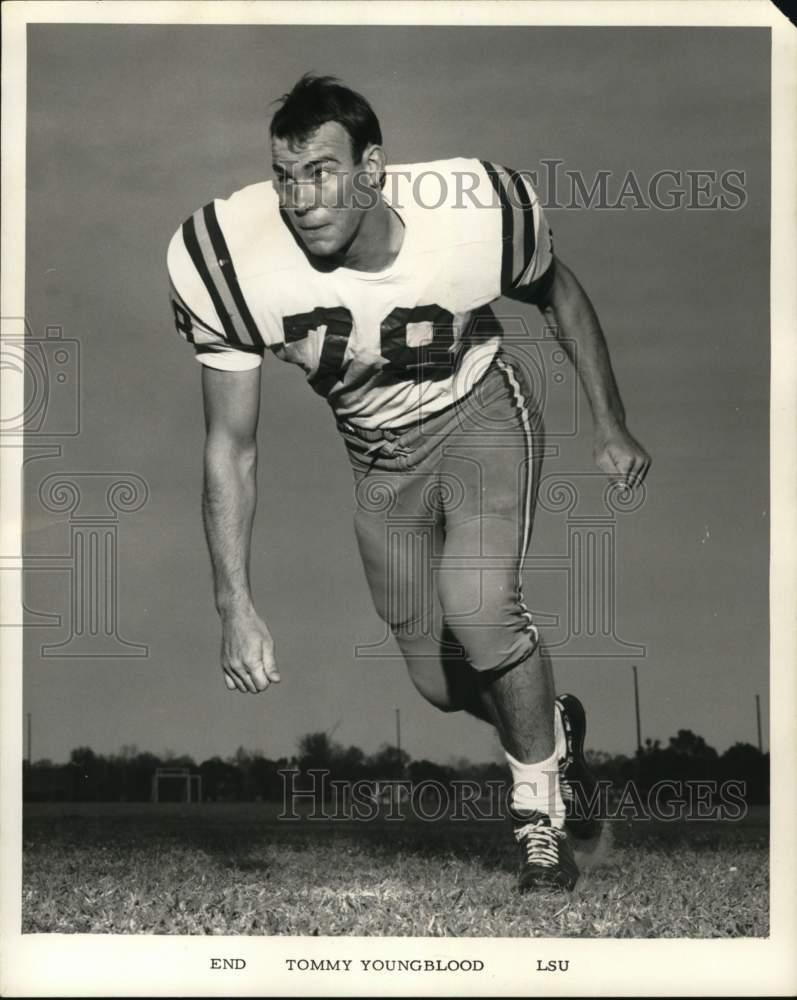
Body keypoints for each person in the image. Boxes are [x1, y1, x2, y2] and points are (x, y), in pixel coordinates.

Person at [166, 74, 651, 891]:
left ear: (371, 168)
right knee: (436, 684)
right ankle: (552, 738)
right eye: (285, 176)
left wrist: (609, 421)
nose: (301, 198)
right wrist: (233, 604)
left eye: (321, 170)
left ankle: (538, 820)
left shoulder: (471, 212)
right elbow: (230, 446)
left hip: (479, 415)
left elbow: (556, 291)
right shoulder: (229, 259)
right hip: (377, 460)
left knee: (480, 607)